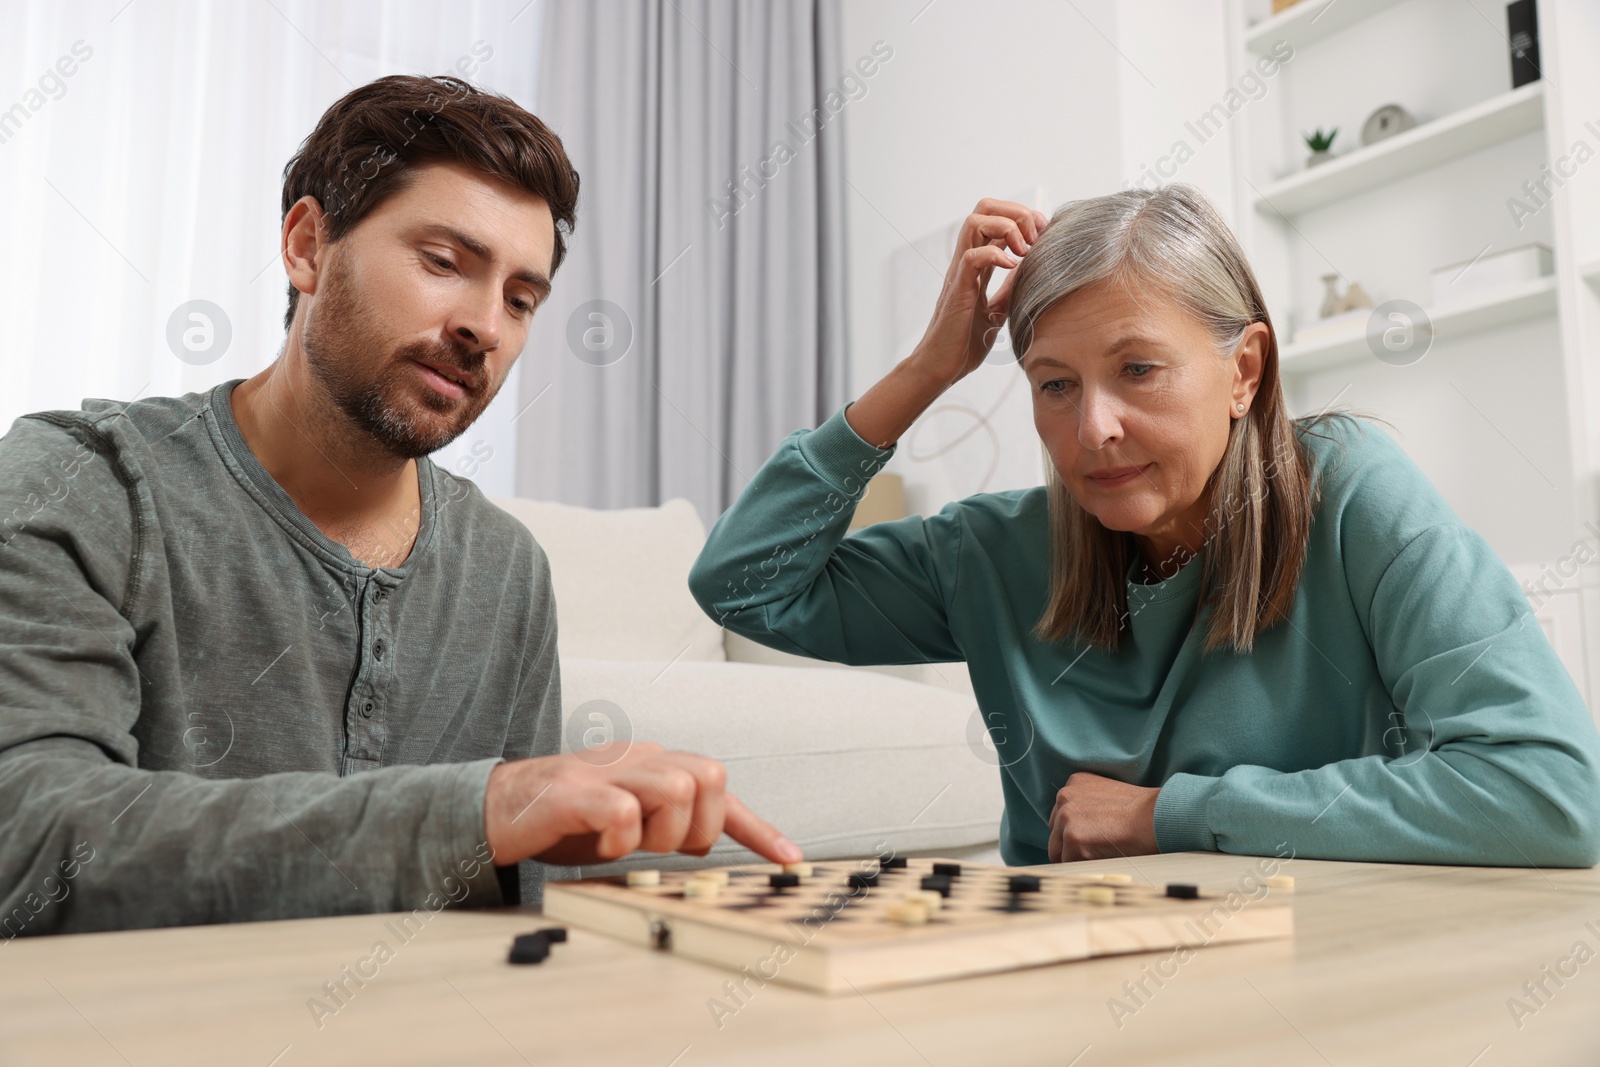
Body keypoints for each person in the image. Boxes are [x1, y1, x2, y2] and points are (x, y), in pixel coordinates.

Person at [0, 74, 799, 939]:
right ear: (308, 246)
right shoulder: (79, 482)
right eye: (444, 262)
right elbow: (29, 846)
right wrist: (476, 806)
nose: (485, 327)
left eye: (521, 300)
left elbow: (508, 916)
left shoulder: (506, 567)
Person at [689, 187, 1600, 869]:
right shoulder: (993, 552)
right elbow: (741, 584)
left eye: (1138, 368)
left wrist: (1167, 812)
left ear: (1244, 370)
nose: (1094, 429)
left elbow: (1550, 792)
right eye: (1055, 383)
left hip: (1316, 971)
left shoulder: (1352, 493)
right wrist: (927, 370)